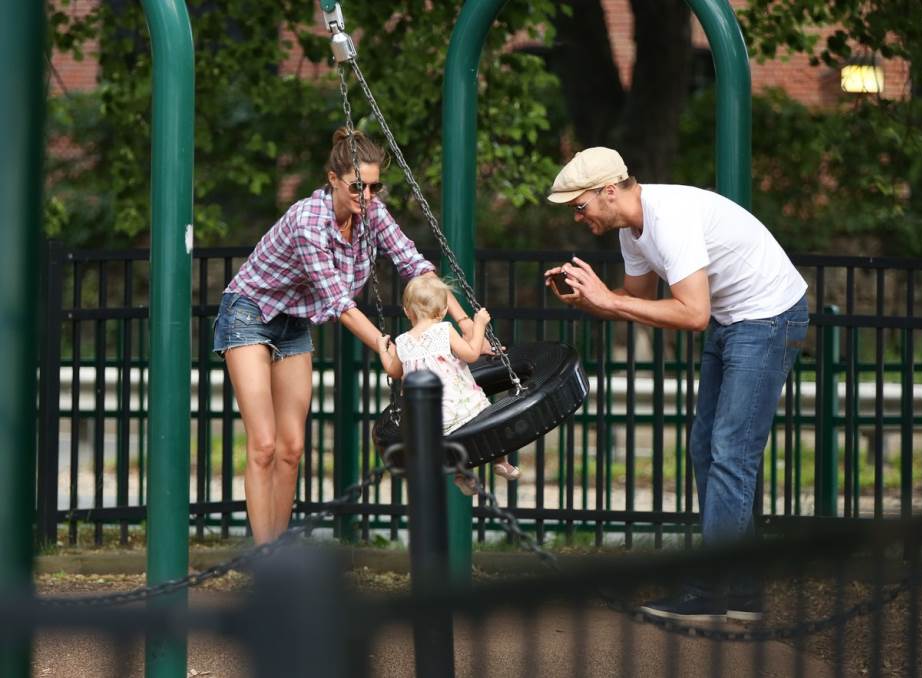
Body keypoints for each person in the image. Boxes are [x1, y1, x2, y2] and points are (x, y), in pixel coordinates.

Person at [544, 147, 809, 622]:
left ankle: (709, 588)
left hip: (768, 318)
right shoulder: (633, 229)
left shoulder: (670, 219)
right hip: (731, 320)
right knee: (705, 447)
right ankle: (742, 590)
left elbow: (691, 313)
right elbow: (638, 299)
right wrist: (590, 300)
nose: (577, 218)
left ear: (609, 192)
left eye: (579, 206)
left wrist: (611, 301)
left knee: (730, 451)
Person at [213, 128, 479, 544]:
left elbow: (413, 264)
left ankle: (280, 554)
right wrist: (389, 350)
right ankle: (264, 562)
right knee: (264, 444)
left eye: (374, 186)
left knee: (292, 448)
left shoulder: (373, 213)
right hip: (249, 313)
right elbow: (339, 302)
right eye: (358, 186)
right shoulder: (308, 222)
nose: (367, 195)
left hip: (292, 323)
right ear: (333, 179)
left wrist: (463, 322)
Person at [376, 275, 522, 496]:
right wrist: (480, 324)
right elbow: (472, 354)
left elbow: (393, 372)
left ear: (407, 311)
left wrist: (382, 349)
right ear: (443, 310)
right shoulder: (445, 330)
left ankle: (462, 475)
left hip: (426, 419)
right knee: (484, 420)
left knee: (453, 441)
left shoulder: (403, 341)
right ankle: (500, 461)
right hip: (459, 406)